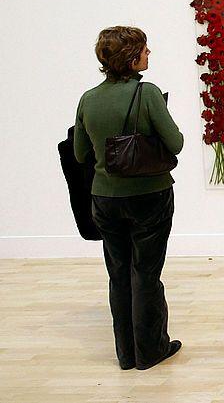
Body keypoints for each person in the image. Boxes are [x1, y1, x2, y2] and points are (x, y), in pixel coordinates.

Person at [74, 26, 183, 370]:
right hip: (149, 196)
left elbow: (80, 153)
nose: (149, 53)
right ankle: (151, 351)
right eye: (145, 49)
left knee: (118, 274)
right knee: (146, 273)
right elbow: (176, 142)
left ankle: (126, 354)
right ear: (131, 57)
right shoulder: (146, 93)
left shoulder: (88, 99)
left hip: (104, 199)